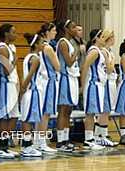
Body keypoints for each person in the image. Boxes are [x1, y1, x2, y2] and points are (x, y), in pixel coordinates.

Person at [0, 23, 20, 159]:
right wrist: (14, 60)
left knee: (14, 116)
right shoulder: (2, 48)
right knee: (4, 116)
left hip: (11, 84)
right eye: (13, 32)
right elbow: (6, 70)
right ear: (6, 34)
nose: (16, 34)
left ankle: (5, 144)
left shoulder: (10, 47)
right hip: (3, 85)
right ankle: (0, 147)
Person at [54, 19, 79, 152]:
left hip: (72, 78)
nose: (76, 29)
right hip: (65, 79)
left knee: (68, 111)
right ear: (66, 29)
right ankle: (60, 141)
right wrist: (77, 52)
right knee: (63, 111)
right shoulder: (63, 43)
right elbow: (69, 62)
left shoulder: (70, 43)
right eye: (73, 27)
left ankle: (66, 138)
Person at [35, 22, 60, 153]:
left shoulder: (39, 46)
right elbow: (58, 66)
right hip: (48, 81)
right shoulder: (48, 48)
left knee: (42, 112)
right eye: (54, 30)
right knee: (46, 113)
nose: (55, 33)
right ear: (47, 32)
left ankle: (37, 141)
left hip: (40, 81)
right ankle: (41, 142)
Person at [80, 29, 106, 151]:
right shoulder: (94, 51)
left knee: (93, 112)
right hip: (92, 85)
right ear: (96, 38)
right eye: (102, 37)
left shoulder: (99, 51)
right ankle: (88, 139)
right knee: (90, 113)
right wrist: (83, 85)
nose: (103, 39)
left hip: (98, 85)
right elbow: (84, 66)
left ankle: (91, 138)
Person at [18, 33, 44, 157]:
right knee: (27, 120)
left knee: (26, 118)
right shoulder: (35, 58)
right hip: (31, 91)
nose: (44, 45)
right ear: (36, 44)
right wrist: (23, 88)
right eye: (42, 42)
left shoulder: (28, 56)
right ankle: (27, 146)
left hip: (28, 91)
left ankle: (27, 144)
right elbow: (29, 76)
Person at [95, 29, 119, 147]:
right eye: (113, 36)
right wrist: (113, 61)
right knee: (105, 110)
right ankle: (101, 136)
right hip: (107, 82)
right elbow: (109, 69)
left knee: (107, 110)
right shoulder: (104, 52)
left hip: (111, 82)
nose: (114, 39)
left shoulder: (109, 51)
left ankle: (100, 135)